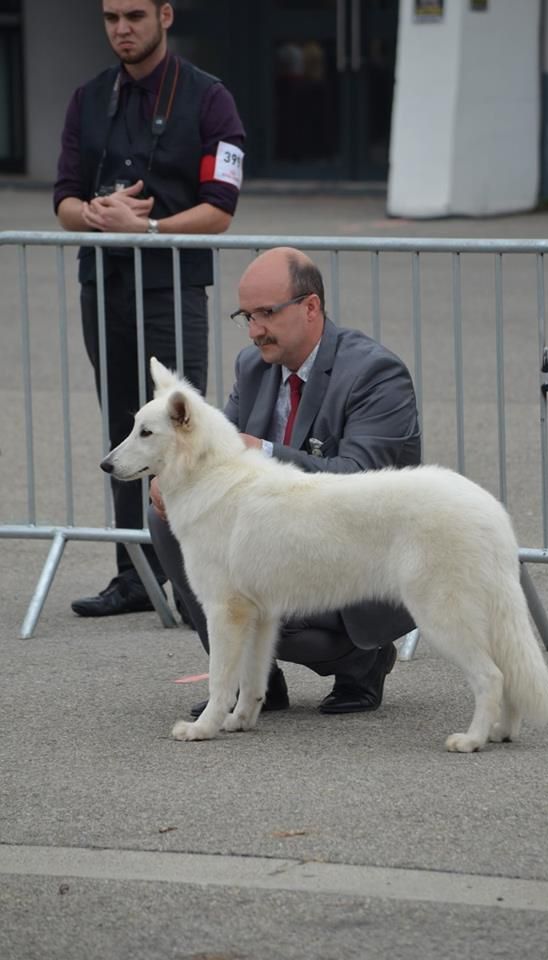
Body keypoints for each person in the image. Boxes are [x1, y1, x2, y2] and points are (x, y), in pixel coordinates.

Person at [148, 247, 421, 715]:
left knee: (277, 617)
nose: (255, 330)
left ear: (310, 307)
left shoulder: (377, 373)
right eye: (246, 315)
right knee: (168, 514)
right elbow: (213, 454)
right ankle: (250, 684)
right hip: (281, 550)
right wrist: (169, 478)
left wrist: (264, 451)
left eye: (267, 314)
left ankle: (364, 661)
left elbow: (359, 479)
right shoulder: (251, 366)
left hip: (353, 565)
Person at [53, 0, 245, 617]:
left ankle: (195, 579)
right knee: (124, 425)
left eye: (134, 15)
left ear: (165, 15)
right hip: (103, 284)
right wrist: (97, 217)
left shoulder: (210, 98)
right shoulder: (87, 98)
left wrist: (151, 228)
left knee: (183, 432)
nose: (121, 29)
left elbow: (219, 209)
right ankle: (133, 575)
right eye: (110, 18)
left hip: (172, 286)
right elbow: (63, 201)